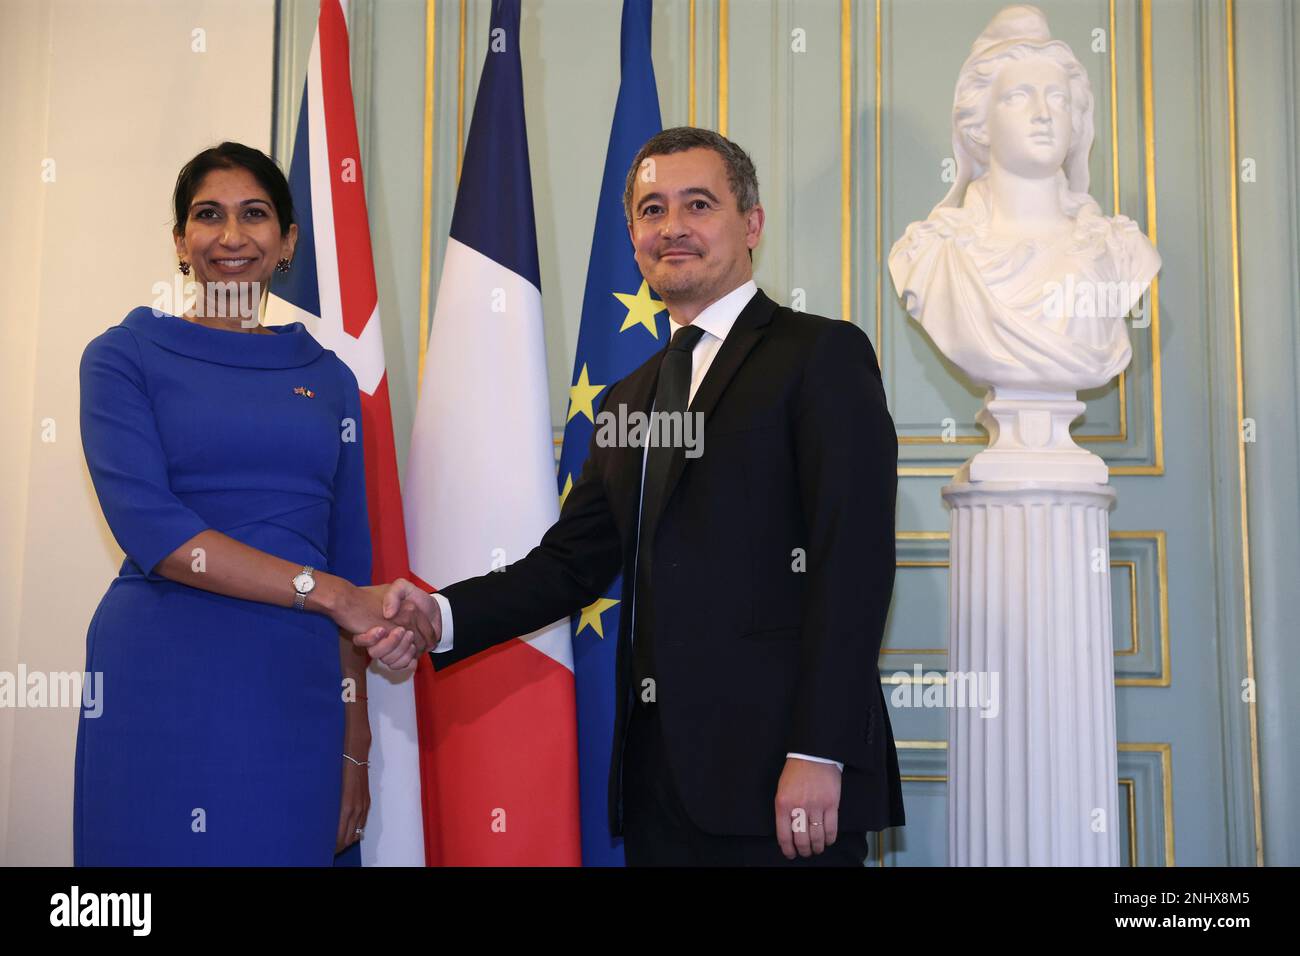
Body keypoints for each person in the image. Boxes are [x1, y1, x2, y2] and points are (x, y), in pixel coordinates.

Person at [361, 127, 904, 866]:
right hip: (659, 794)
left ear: (751, 223)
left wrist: (820, 751)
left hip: (788, 782)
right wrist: (441, 615)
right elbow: (571, 565)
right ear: (634, 235)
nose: (672, 227)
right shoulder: (628, 397)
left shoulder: (821, 355)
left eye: (698, 204)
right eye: (652, 210)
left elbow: (853, 564)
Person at [75, 141, 432, 866]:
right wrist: (328, 593)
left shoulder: (330, 379)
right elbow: (158, 533)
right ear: (181, 242)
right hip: (161, 675)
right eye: (208, 216)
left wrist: (355, 745)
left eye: (255, 215)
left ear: (288, 241)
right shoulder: (121, 356)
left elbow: (349, 561)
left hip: (292, 689)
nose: (231, 237)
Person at [888, 4, 1160, 393]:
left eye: (1059, 99)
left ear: (1077, 121)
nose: (1043, 114)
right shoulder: (932, 255)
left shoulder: (1120, 249)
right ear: (978, 122)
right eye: (1019, 96)